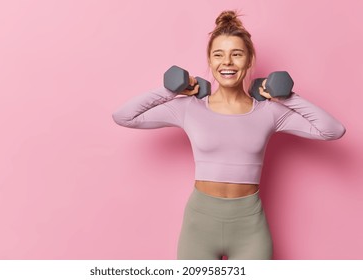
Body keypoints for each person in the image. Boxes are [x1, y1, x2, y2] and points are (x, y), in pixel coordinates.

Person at [112, 10, 346, 260]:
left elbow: (332, 130)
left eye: (237, 54)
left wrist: (286, 96)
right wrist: (172, 89)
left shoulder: (269, 112)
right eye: (218, 55)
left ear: (248, 60)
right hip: (199, 226)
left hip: (250, 228)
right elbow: (124, 116)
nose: (227, 62)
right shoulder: (189, 108)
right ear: (210, 62)